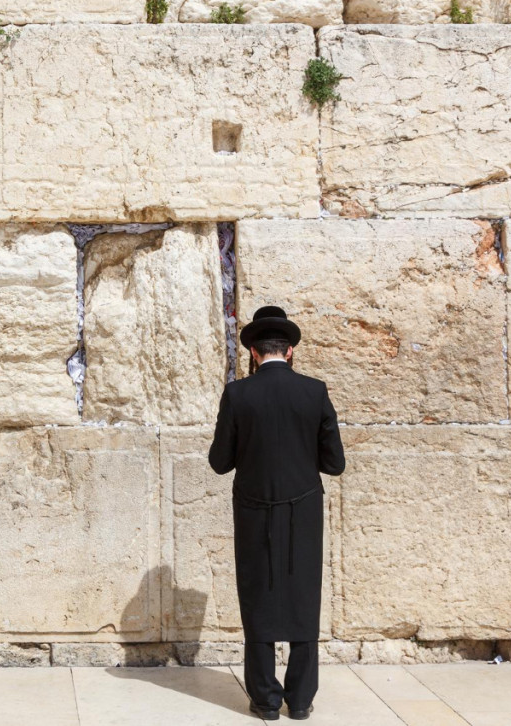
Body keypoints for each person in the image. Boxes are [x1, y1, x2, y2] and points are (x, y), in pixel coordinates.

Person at [209, 306, 345, 721]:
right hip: (302, 511)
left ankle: (266, 700)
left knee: (258, 596)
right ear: (289, 351)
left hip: (254, 511)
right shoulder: (315, 391)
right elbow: (335, 463)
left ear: (253, 352)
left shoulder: (237, 394)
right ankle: (300, 700)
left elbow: (219, 461)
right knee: (303, 597)